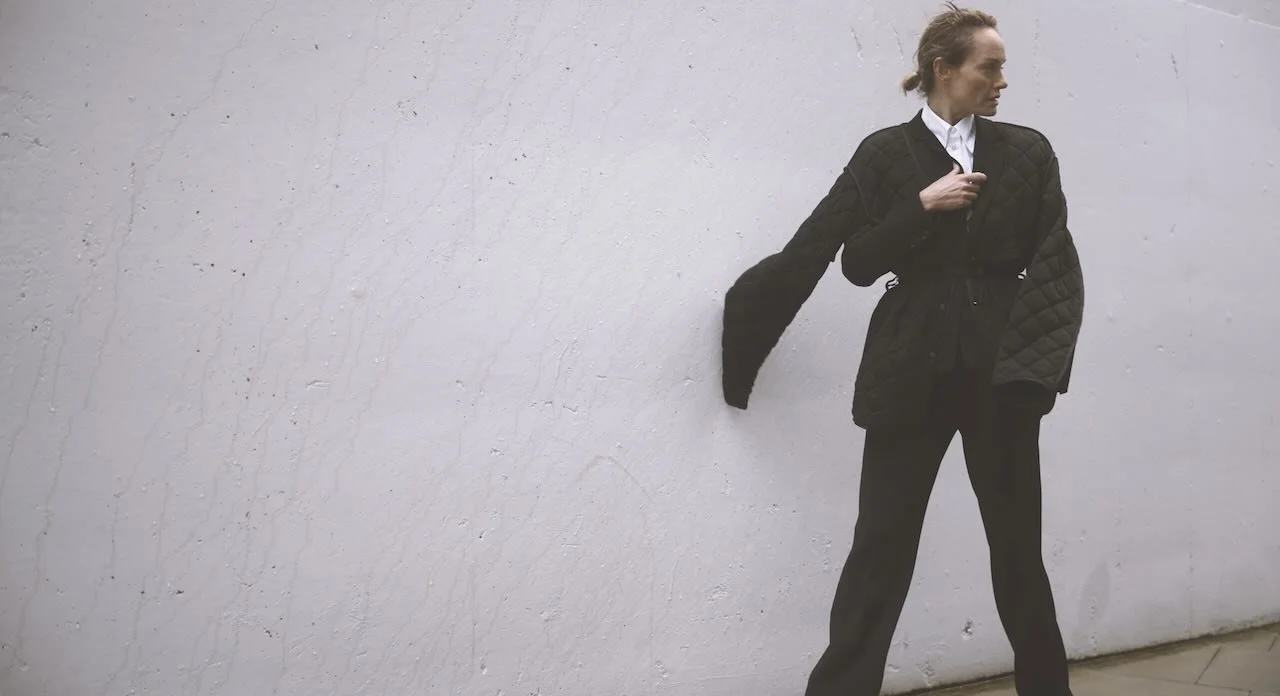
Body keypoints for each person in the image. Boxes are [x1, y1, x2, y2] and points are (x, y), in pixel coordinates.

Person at [720, 3, 1084, 695]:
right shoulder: (884, 154)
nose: (1002, 80)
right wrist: (920, 206)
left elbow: (1056, 266)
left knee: (1017, 553)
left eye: (1002, 67)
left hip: (1000, 379)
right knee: (880, 548)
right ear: (944, 69)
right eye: (989, 67)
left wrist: (1035, 377)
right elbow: (854, 262)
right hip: (907, 369)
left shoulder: (1027, 151)